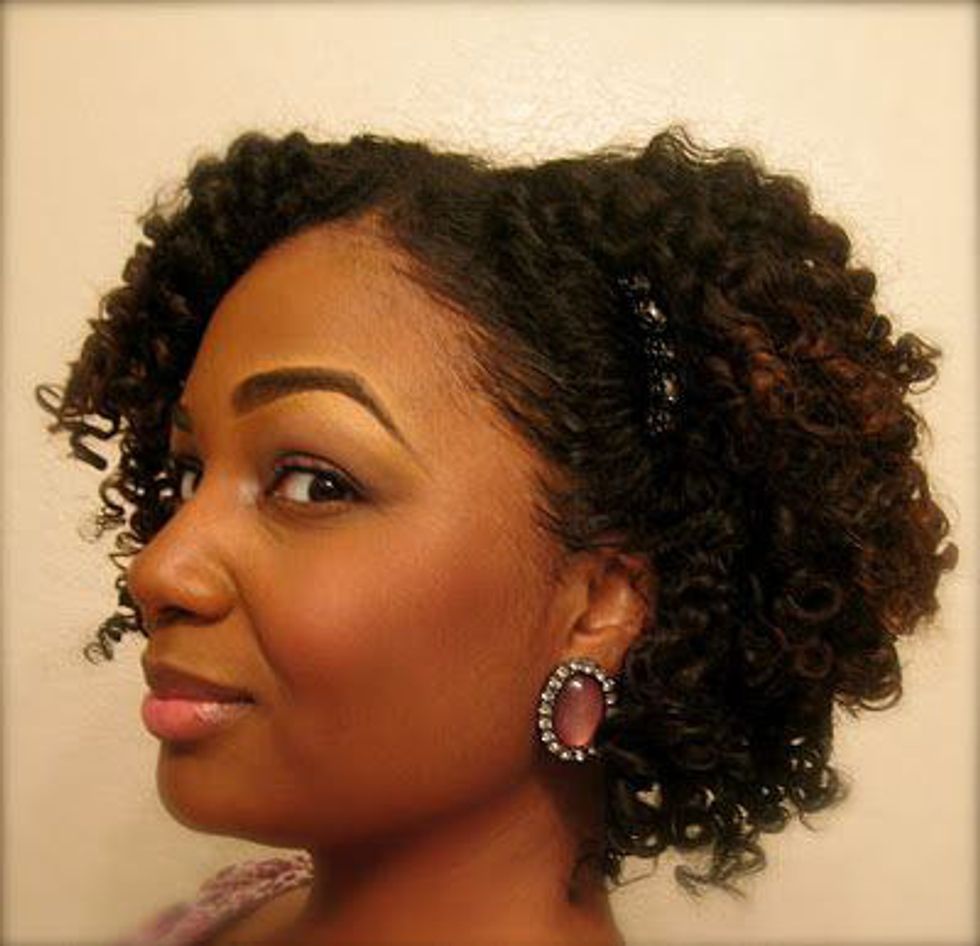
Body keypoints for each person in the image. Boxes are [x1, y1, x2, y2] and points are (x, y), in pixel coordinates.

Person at [35, 126, 957, 946]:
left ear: (598, 605)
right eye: (189, 475)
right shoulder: (231, 910)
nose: (160, 568)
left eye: (315, 482)